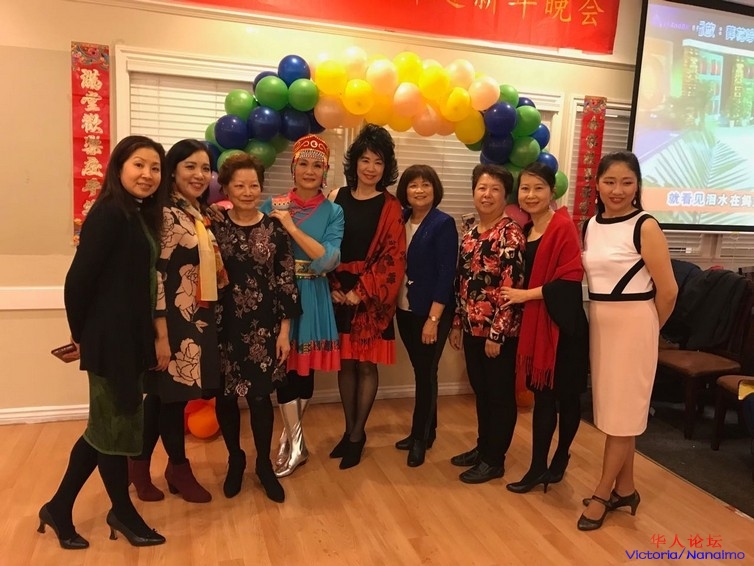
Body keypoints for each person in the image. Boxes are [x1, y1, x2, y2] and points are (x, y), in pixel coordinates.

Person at [39, 135, 169, 549]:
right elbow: (77, 281)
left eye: (155, 167)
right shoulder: (111, 212)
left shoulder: (136, 214)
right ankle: (122, 513)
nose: (147, 174)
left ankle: (58, 507)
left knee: (109, 427)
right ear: (119, 168)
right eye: (139, 165)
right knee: (114, 428)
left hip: (127, 339)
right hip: (110, 341)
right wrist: (82, 335)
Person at [579, 151, 677, 531]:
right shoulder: (590, 225)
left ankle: (602, 493)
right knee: (618, 413)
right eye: (609, 182)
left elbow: (668, 291)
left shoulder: (645, 226)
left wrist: (649, 329)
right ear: (597, 185)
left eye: (626, 182)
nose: (617, 190)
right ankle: (626, 489)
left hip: (635, 325)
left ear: (637, 186)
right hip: (601, 324)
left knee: (622, 416)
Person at [130, 139, 227, 505]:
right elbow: (154, 274)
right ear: (172, 171)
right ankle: (179, 468)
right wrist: (160, 332)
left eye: (205, 168)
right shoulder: (165, 214)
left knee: (161, 397)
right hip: (171, 319)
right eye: (190, 166)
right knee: (172, 399)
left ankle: (138, 466)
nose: (200, 175)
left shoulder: (195, 213)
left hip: (193, 315)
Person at [213, 154, 301, 502]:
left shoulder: (275, 229)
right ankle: (235, 459)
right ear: (226, 188)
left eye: (253, 185)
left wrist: (284, 332)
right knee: (225, 396)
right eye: (240, 185)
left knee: (261, 397)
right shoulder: (215, 227)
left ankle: (263, 464)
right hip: (223, 326)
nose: (248, 192)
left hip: (263, 329)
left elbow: (286, 281)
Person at [500, 162, 589, 495]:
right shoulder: (524, 230)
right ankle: (538, 466)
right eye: (525, 188)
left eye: (538, 188)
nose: (531, 194)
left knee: (567, 398)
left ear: (552, 191)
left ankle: (561, 456)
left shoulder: (563, 227)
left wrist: (525, 295)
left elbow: (570, 280)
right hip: (538, 326)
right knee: (543, 398)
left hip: (564, 329)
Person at [260, 134, 345, 478]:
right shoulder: (272, 204)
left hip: (313, 294)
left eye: (317, 165)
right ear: (293, 168)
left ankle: (292, 441)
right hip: (279, 296)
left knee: (305, 369)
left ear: (325, 171)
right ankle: (294, 441)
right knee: (283, 368)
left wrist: (291, 227)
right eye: (304, 164)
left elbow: (328, 261)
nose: (310, 171)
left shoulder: (334, 211)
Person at [327, 124, 407, 469]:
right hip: (337, 291)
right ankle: (348, 432)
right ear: (355, 162)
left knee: (366, 364)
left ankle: (358, 435)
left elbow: (394, 257)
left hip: (371, 297)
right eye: (365, 159)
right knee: (345, 363)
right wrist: (332, 285)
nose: (371, 168)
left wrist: (361, 292)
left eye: (378, 161)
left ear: (386, 166)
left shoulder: (391, 206)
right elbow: (324, 244)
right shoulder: (335, 196)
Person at [448, 164, 525, 484]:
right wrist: (457, 322)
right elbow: (462, 282)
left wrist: (498, 334)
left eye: (495, 189)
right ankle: (483, 448)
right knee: (481, 391)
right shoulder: (470, 233)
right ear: (473, 192)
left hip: (497, 333)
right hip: (471, 327)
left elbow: (512, 288)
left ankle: (494, 460)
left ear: (505, 196)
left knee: (499, 395)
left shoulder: (510, 233)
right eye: (482, 187)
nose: (487, 194)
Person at [393, 164, 458, 467]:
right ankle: (427, 431)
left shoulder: (443, 223)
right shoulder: (401, 219)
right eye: (413, 185)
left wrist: (433, 320)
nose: (419, 190)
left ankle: (419, 438)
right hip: (405, 308)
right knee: (423, 371)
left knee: (425, 373)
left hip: (432, 311)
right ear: (405, 191)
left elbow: (446, 274)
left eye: (425, 184)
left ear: (435, 189)